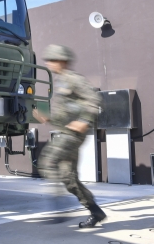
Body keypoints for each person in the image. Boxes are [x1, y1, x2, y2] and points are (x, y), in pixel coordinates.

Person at [32, 44, 106, 228]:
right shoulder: (60, 81)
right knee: (69, 179)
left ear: (63, 61)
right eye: (48, 60)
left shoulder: (74, 79)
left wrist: (85, 120)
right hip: (65, 131)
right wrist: (47, 117)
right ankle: (95, 211)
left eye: (53, 60)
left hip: (73, 134)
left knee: (47, 161)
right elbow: (66, 113)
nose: (49, 63)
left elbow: (94, 100)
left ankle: (59, 205)